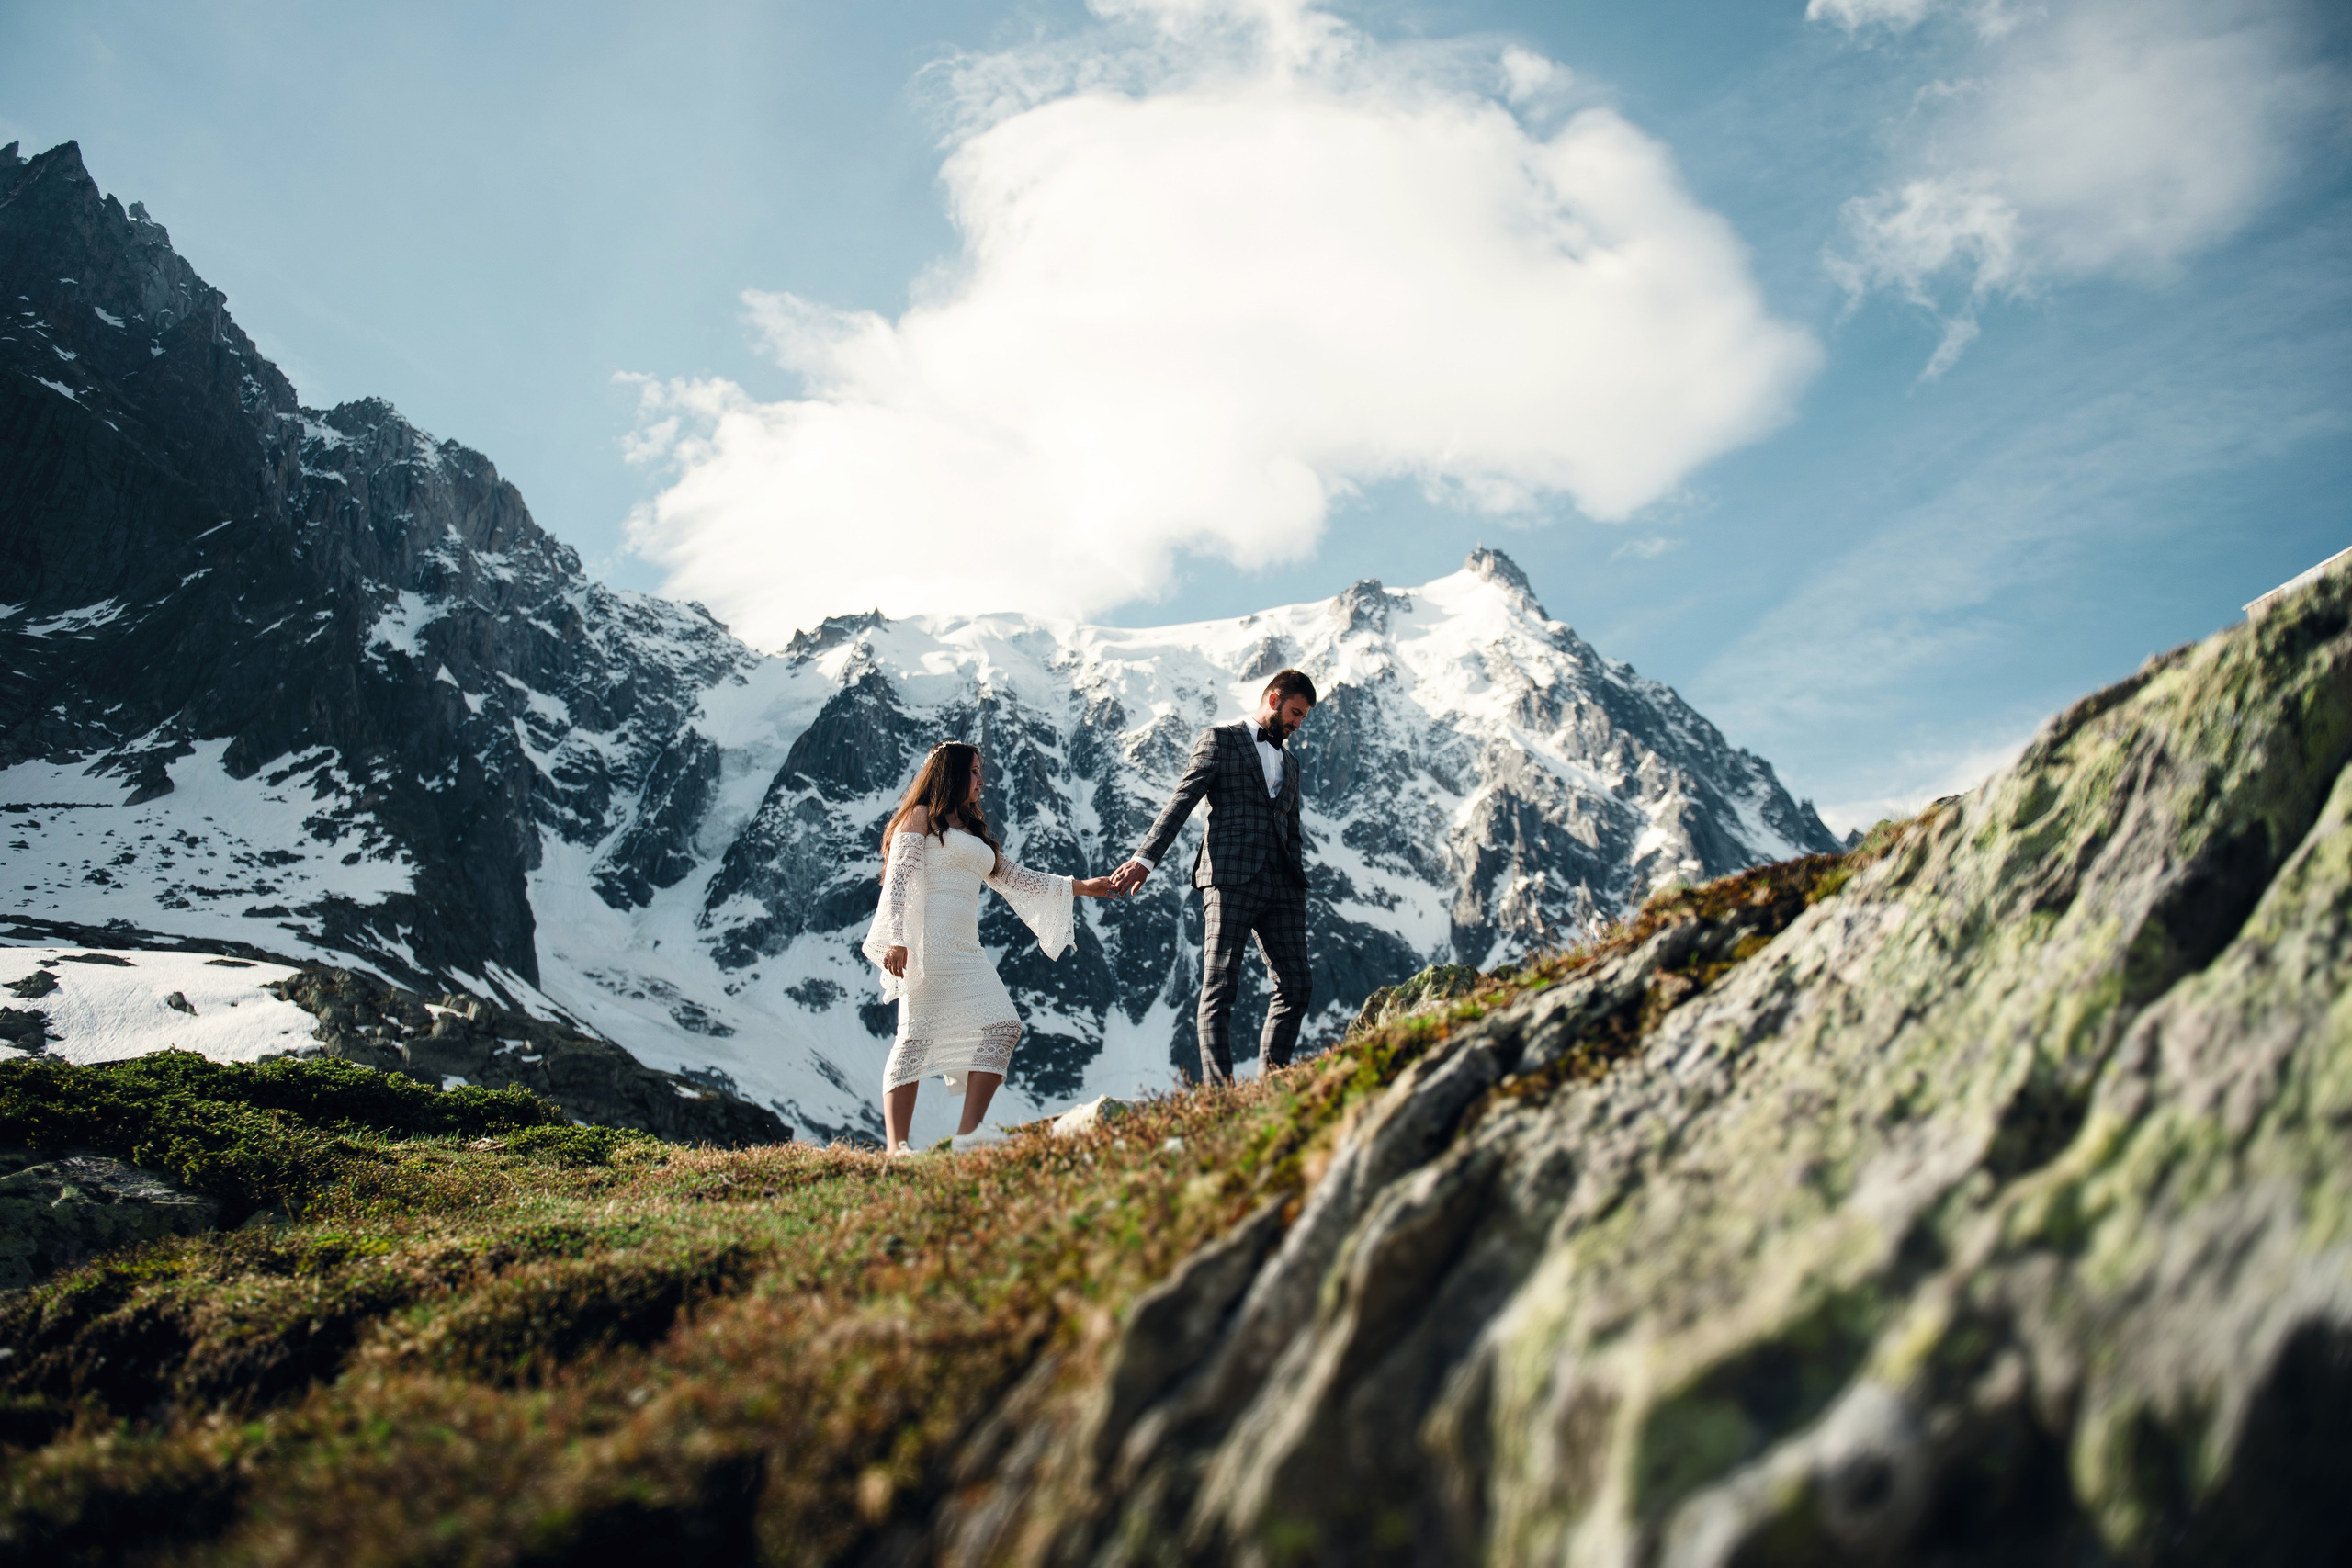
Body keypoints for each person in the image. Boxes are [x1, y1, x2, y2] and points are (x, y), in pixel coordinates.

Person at [862, 741, 1120, 1155]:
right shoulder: (919, 817)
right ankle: (897, 1149)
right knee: (913, 1039)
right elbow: (899, 881)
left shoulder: (971, 830)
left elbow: (1017, 878)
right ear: (952, 773)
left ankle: (968, 1135)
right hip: (926, 945)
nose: (982, 780)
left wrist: (1080, 887)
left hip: (966, 948)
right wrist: (897, 938)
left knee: (1002, 1026)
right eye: (976, 771)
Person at [1109, 669, 1317, 1084]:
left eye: (1303, 718)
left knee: (1297, 986)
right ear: (1274, 700)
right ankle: (1221, 1095)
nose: (1297, 724)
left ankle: (1272, 1084)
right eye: (1295, 712)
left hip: (1282, 887)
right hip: (1229, 878)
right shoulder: (1220, 740)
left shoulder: (1291, 763)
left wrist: (1298, 881)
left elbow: (1291, 828)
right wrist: (1144, 860)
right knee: (1220, 987)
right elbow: (1182, 801)